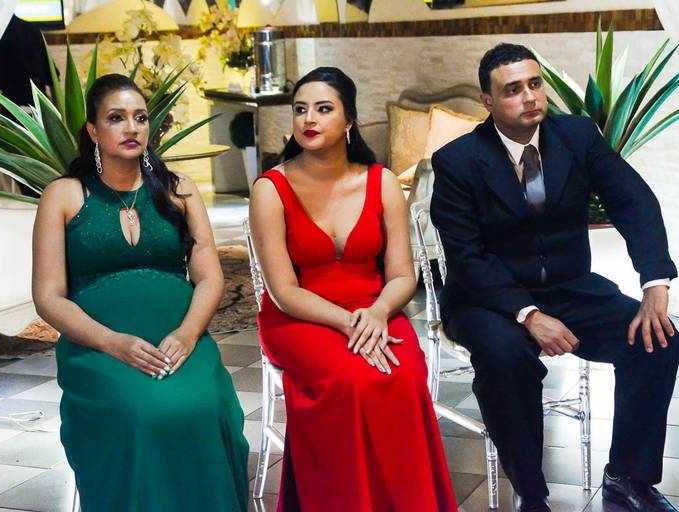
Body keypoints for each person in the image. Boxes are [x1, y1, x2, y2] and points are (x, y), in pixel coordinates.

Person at [430, 44, 679, 512]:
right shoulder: (458, 161)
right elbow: (467, 257)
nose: (529, 97)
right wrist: (528, 315)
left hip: (569, 289)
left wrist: (655, 283)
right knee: (506, 359)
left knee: (658, 342)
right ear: (488, 101)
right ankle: (532, 494)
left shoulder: (577, 136)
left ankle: (628, 476)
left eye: (534, 84)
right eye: (512, 90)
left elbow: (634, 201)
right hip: (486, 299)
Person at [32, 74, 249, 511]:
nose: (131, 127)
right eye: (116, 118)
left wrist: (188, 334)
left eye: (140, 118)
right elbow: (48, 297)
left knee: (206, 407)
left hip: (178, 342)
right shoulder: (63, 196)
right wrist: (113, 342)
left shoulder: (179, 191)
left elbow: (210, 277)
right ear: (93, 131)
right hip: (100, 348)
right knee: (140, 413)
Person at [250, 67, 456, 511]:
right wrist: (349, 323)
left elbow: (402, 275)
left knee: (403, 375)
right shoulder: (271, 188)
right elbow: (282, 290)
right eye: (301, 109)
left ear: (349, 120)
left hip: (374, 306)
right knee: (348, 381)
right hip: (300, 314)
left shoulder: (381, 182)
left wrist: (377, 313)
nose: (309, 119)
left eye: (324, 109)